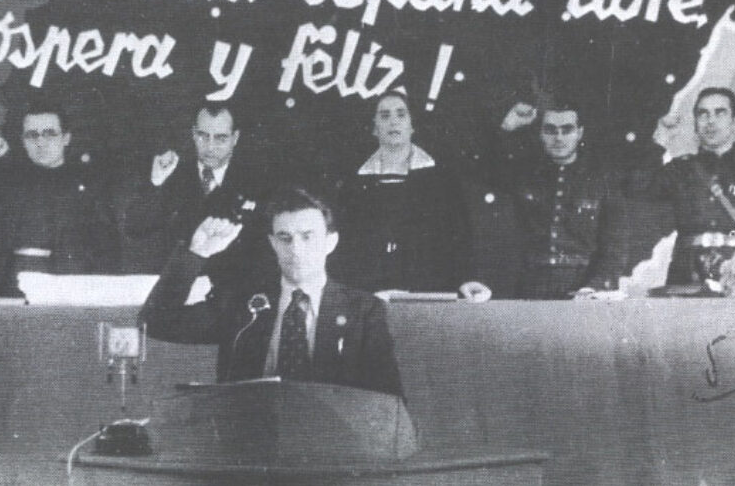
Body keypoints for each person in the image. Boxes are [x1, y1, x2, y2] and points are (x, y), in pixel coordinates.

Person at [140, 186, 404, 398]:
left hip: (329, 450)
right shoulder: (242, 302)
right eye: (285, 238)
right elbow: (155, 323)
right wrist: (197, 253)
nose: (295, 250)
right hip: (251, 450)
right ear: (272, 243)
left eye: (307, 236)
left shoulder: (364, 312)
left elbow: (389, 403)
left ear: (331, 242)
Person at [332, 90, 491, 301]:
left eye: (401, 114)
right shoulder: (354, 183)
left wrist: (468, 279)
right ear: (374, 128)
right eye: (385, 116)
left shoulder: (442, 180)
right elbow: (344, 247)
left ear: (412, 125)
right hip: (369, 296)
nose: (393, 122)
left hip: (428, 294)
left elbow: (460, 238)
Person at [0, 101, 116, 298]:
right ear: (23, 140)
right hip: (1, 284)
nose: (40, 142)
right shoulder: (7, 177)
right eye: (31, 135)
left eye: (50, 133)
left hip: (63, 286)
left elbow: (106, 247)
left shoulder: (88, 186)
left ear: (66, 138)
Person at [115, 101, 274, 281]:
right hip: (177, 286)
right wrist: (156, 183)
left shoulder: (255, 183)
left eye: (220, 138)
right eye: (203, 136)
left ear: (235, 138)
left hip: (230, 291)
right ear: (193, 134)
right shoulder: (171, 174)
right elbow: (135, 228)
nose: (210, 147)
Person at [635, 87, 735, 286]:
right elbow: (637, 189)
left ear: (734, 122)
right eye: (703, 114)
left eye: (720, 113)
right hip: (687, 273)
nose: (710, 121)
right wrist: (660, 141)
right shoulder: (680, 168)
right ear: (695, 123)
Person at [493, 99, 620, 299]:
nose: (558, 138)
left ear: (579, 133)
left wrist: (595, 287)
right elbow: (483, 167)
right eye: (550, 130)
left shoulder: (601, 182)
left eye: (567, 130)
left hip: (583, 288)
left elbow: (615, 245)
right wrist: (507, 127)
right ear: (540, 134)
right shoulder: (524, 175)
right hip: (530, 288)